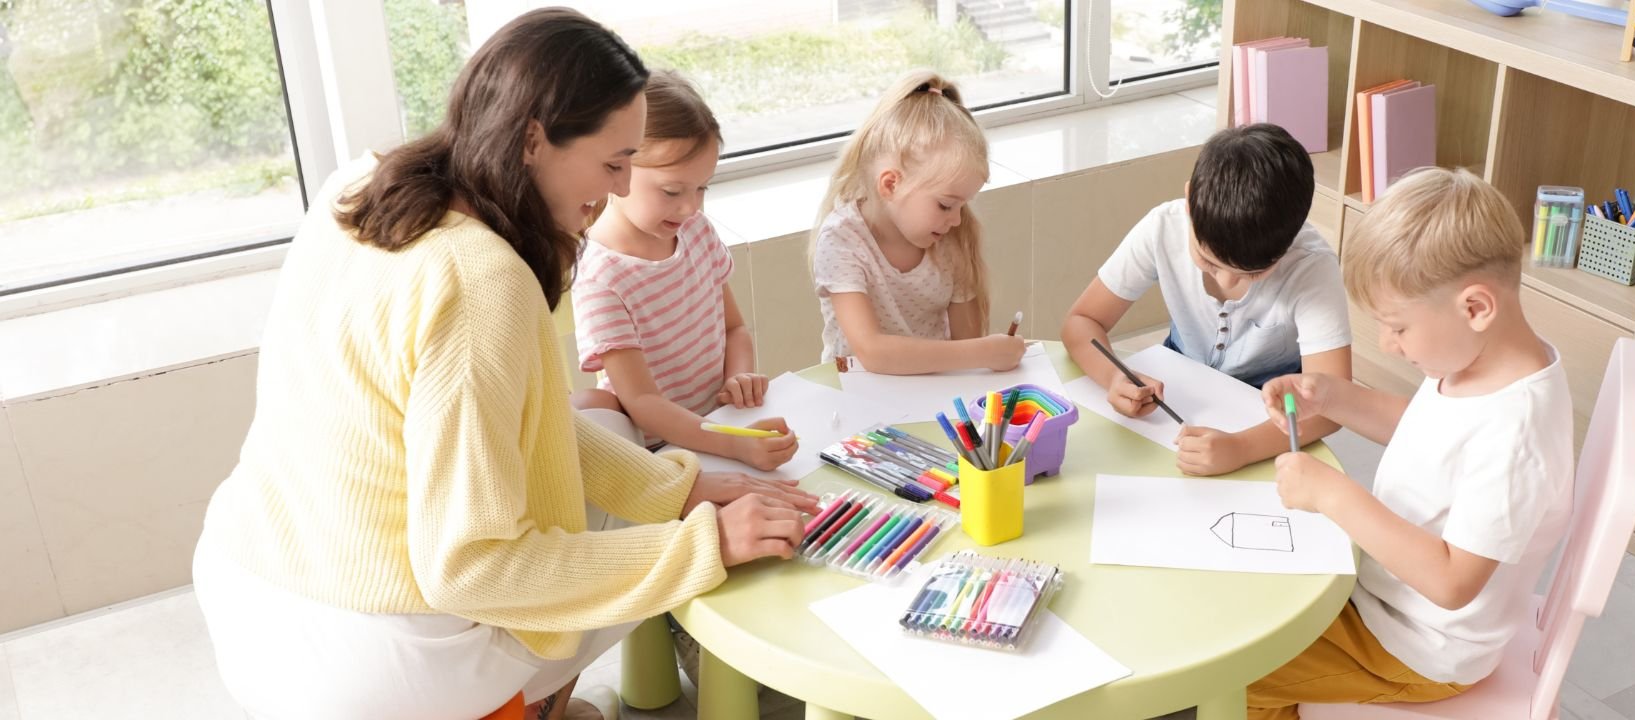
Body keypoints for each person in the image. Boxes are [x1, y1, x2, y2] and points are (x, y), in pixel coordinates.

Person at [191, 10, 815, 720]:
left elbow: (525, 420)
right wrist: (702, 543)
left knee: (605, 435)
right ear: (532, 139)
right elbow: (470, 567)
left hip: (251, 578)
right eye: (614, 164)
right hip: (374, 658)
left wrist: (680, 488)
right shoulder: (483, 280)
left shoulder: (363, 187)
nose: (617, 190)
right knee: (645, 566)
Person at [1248, 167, 1575, 719]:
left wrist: (1334, 496)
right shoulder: (1481, 360)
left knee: (1242, 677)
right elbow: (1426, 428)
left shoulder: (1515, 435)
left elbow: (1452, 582)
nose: (1387, 343)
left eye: (1397, 326)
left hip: (1412, 648)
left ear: (1475, 307)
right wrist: (1332, 397)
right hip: (1380, 600)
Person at [1062, 123, 1352, 476]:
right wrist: (1112, 377)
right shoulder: (1163, 228)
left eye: (1253, 273)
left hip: (1269, 417)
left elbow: (1333, 406)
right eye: (1209, 261)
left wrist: (1242, 448)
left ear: (1290, 239)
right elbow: (1082, 322)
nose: (1228, 280)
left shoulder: (1311, 268)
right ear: (1189, 202)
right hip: (1173, 400)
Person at [570, 70, 797, 472]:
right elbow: (643, 405)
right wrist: (734, 444)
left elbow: (734, 329)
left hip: (722, 431)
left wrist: (738, 378)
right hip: (662, 456)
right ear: (617, 169)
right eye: (672, 191)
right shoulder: (600, 276)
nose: (691, 208)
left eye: (702, 188)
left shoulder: (697, 232)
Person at [811, 71, 1026, 374]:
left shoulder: (952, 238)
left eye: (963, 205)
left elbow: (966, 343)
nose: (957, 218)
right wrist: (984, 352)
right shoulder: (842, 240)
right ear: (890, 185)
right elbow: (873, 352)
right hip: (855, 396)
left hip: (931, 394)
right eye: (945, 204)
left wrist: (986, 355)